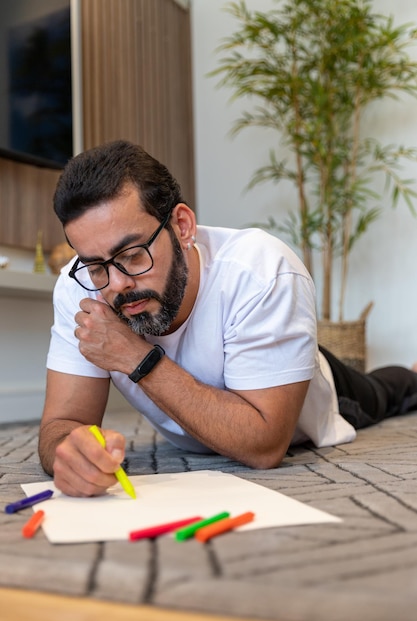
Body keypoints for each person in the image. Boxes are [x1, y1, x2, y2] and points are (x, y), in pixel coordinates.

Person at [38, 139, 417, 497]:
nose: (117, 283)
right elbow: (60, 424)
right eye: (95, 265)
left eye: (134, 255)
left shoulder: (261, 271)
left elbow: (265, 447)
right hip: (216, 396)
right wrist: (67, 452)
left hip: (310, 390)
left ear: (182, 226)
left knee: (385, 392)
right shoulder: (83, 285)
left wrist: (136, 357)